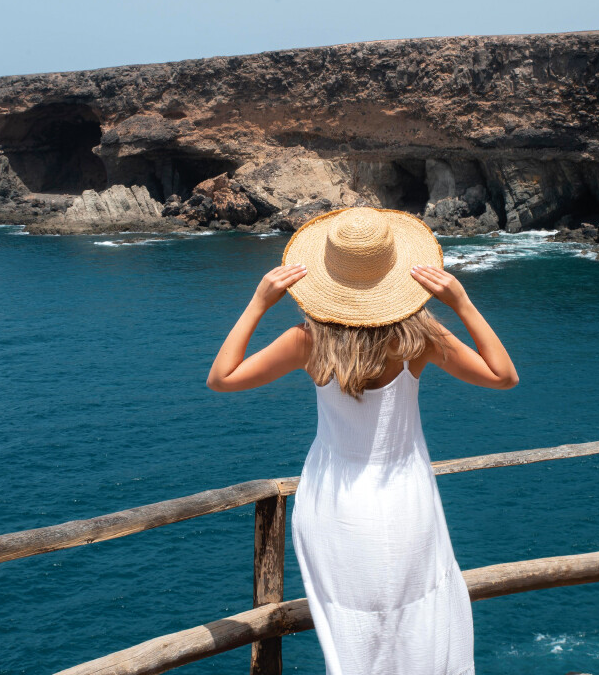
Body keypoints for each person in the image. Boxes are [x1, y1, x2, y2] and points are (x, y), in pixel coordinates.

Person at [207, 206, 518, 675]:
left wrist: (258, 301)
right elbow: (503, 376)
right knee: (419, 616)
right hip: (406, 500)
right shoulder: (419, 337)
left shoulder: (306, 341)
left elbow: (221, 378)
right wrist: (461, 301)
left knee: (350, 631)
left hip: (335, 505)